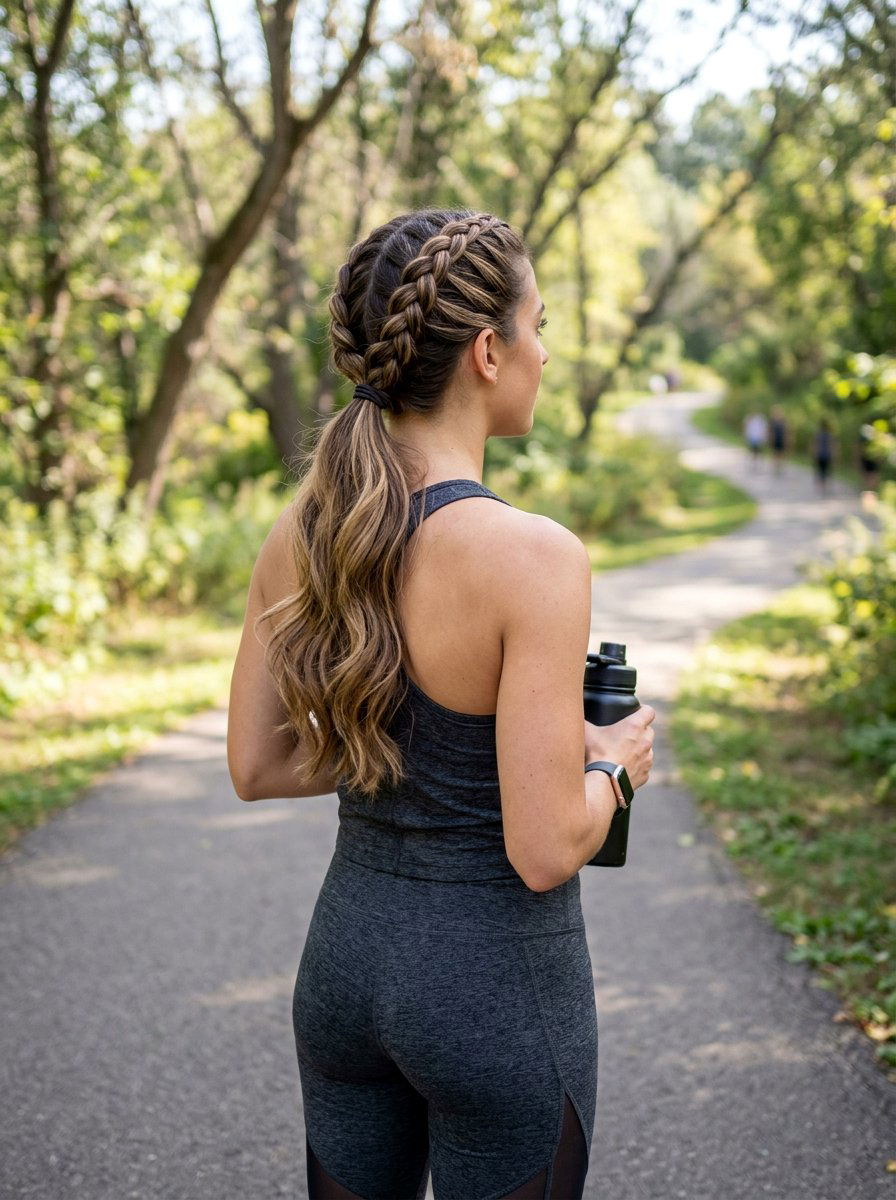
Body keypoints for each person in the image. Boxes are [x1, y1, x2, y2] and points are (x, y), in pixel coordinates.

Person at [227, 209, 656, 1200]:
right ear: (488, 350)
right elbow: (544, 846)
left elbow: (257, 766)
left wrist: (417, 750)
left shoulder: (304, 531)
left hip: (341, 976)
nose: (545, 353)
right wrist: (607, 767)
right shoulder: (532, 557)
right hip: (491, 994)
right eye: (538, 325)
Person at [813, 416, 836, 495]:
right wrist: (834, 455)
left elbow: (815, 445)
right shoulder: (830, 435)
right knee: (827, 471)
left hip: (820, 455)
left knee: (820, 471)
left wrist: (815, 454)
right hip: (827, 455)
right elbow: (832, 446)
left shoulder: (818, 434)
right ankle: (825, 487)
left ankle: (822, 487)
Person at [768, 405, 788, 476]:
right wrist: (770, 439)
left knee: (781, 454)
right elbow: (770, 431)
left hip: (781, 440)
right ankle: (775, 467)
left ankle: (780, 467)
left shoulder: (783, 421)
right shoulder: (772, 421)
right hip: (775, 440)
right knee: (775, 453)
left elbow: (786, 431)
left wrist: (786, 440)